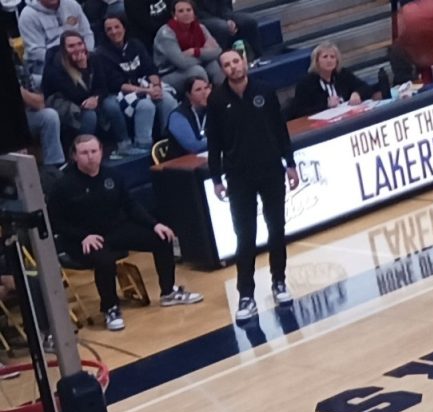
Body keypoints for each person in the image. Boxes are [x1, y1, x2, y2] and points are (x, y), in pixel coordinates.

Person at [48, 133, 203, 330]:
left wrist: (154, 224)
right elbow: (55, 221)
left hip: (115, 230)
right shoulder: (63, 186)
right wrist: (82, 236)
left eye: (94, 151)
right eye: (84, 153)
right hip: (82, 239)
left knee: (162, 237)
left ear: (101, 152)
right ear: (74, 156)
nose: (90, 156)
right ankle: (110, 308)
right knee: (104, 261)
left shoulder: (112, 176)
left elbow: (130, 205)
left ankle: (168, 292)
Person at [206, 48, 297, 321]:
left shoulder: (265, 90)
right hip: (238, 176)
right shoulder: (217, 99)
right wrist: (215, 178)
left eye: (236, 61)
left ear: (244, 62)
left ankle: (279, 281)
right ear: (223, 70)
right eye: (227, 64)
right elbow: (214, 142)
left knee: (276, 227)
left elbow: (280, 129)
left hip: (270, 169)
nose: (233, 67)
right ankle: (246, 295)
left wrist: (290, 163)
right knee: (245, 236)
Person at [96, 15, 176, 153]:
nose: (114, 32)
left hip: (145, 85)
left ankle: (170, 140)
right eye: (109, 29)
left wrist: (156, 86)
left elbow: (151, 69)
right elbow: (117, 84)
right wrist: (147, 92)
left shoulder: (135, 44)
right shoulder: (102, 53)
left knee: (168, 100)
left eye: (117, 27)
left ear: (124, 27)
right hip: (122, 92)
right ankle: (143, 145)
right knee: (146, 105)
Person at [41, 30, 126, 147]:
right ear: (63, 49)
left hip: (88, 98)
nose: (77, 49)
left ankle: (124, 143)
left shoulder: (93, 58)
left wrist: (96, 98)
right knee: (89, 115)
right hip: (63, 103)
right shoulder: (56, 66)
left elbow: (102, 87)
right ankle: (83, 150)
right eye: (71, 46)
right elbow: (73, 94)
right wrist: (83, 70)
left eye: (80, 44)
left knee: (111, 105)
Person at [18, 0, 94, 89]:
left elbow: (87, 33)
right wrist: (67, 60)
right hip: (47, 65)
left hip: (80, 55)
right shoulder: (27, 15)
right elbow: (36, 52)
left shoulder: (72, 4)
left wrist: (87, 53)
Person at [290, 42, 376, 118]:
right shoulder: (306, 83)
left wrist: (357, 93)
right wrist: (325, 105)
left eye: (332, 57)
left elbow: (366, 88)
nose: (329, 60)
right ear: (316, 61)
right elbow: (299, 112)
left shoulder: (343, 74)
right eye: (325, 57)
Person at [153, 0, 222, 90]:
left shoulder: (200, 28)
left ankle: (225, 96)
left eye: (188, 10)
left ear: (194, 13)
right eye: (181, 11)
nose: (185, 13)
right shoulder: (166, 34)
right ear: (174, 15)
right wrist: (205, 53)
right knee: (198, 71)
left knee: (214, 66)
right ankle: (206, 99)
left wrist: (194, 51)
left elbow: (218, 51)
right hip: (169, 73)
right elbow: (182, 63)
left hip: (192, 64)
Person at [193, 0, 260, 57]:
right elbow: (196, 12)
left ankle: (255, 57)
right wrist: (224, 22)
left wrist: (228, 19)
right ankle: (222, 61)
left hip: (222, 14)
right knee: (222, 27)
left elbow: (225, 7)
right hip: (202, 19)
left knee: (249, 21)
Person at [163, 73, 208, 157]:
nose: (204, 92)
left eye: (206, 88)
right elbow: (193, 146)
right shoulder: (177, 116)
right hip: (179, 165)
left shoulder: (212, 110)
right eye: (198, 90)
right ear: (188, 95)